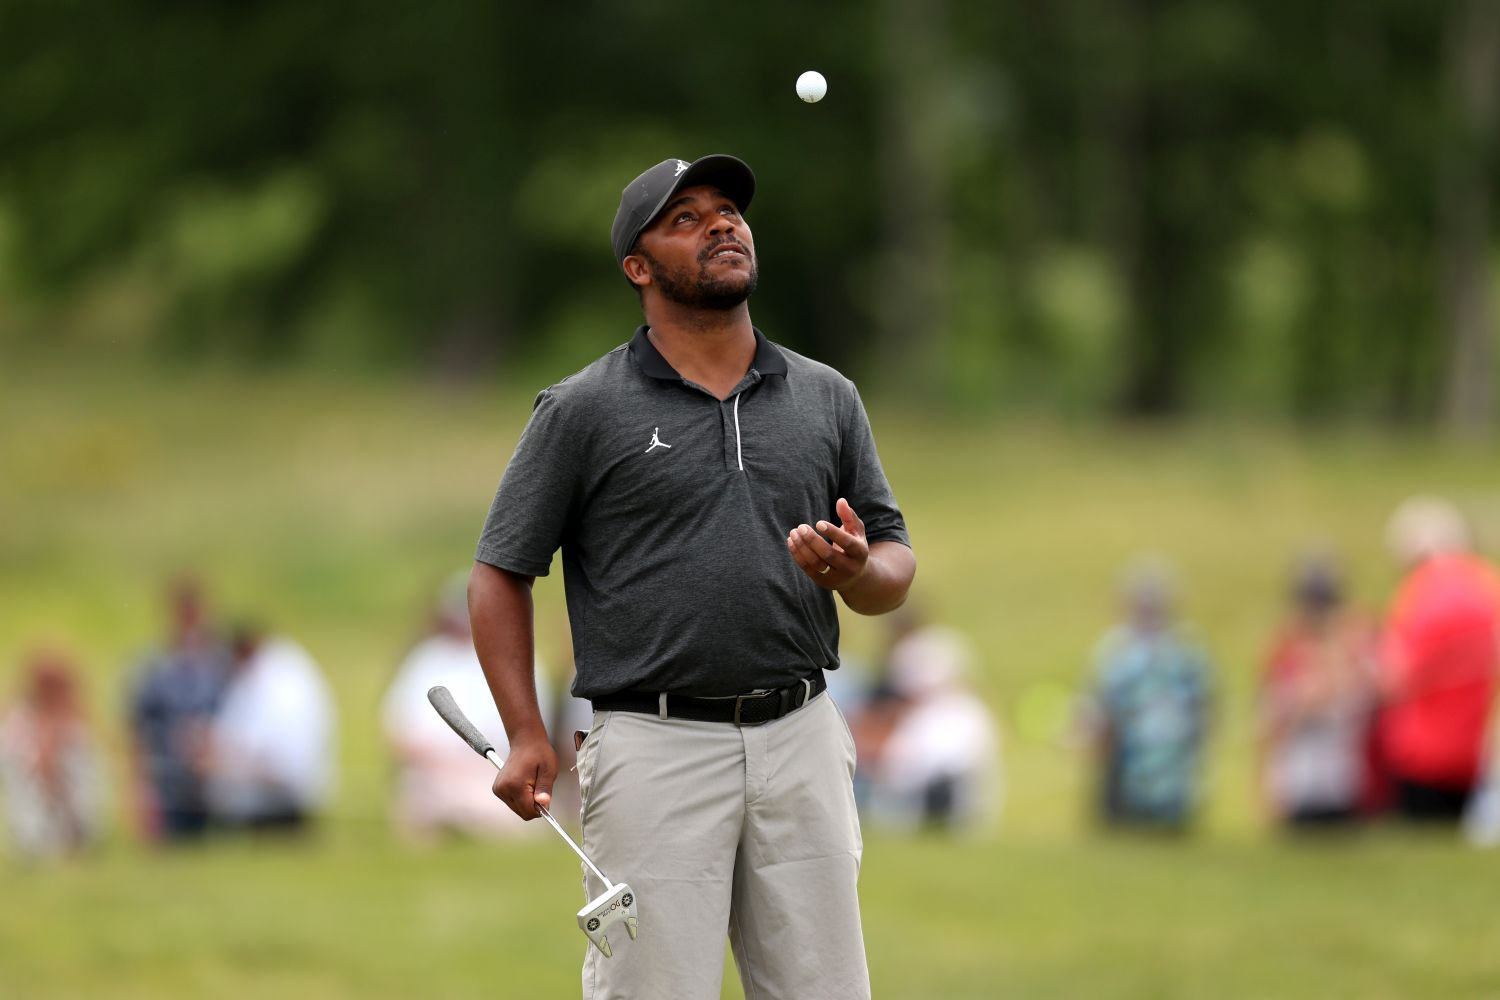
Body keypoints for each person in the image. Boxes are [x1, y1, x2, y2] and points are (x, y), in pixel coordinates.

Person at [468, 154, 915, 999]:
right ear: (638, 268)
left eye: (728, 211)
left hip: (803, 735)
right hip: (652, 744)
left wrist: (859, 571)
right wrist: (526, 730)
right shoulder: (584, 407)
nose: (721, 224)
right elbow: (499, 572)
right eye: (685, 218)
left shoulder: (827, 396)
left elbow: (892, 563)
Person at [381, 573, 553, 842]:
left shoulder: (521, 660)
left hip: (493, 775)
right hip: (433, 775)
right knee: (417, 802)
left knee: (510, 821)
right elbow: (398, 732)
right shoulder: (427, 658)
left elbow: (532, 736)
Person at [1377, 497, 1500, 821]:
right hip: (1480, 756)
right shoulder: (1487, 584)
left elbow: (1394, 678)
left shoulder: (1418, 594)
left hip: (1424, 760)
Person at [1082, 557, 1212, 831]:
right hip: (1125, 766)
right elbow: (1100, 710)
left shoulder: (1185, 652)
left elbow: (1203, 709)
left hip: (1172, 767)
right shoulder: (1116, 651)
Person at [1257, 553, 1379, 829]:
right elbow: (1272, 725)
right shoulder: (1285, 652)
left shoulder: (1353, 648)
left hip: (1347, 788)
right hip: (1301, 790)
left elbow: (1381, 689)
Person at [864, 624, 1001, 832]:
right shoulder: (916, 718)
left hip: (954, 797)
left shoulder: (967, 712)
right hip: (914, 800)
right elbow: (898, 766)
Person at [206, 624, 337, 832]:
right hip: (309, 786)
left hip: (282, 789)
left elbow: (256, 752)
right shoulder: (289, 665)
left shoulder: (266, 679)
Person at [127, 577, 229, 842]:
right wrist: (139, 791)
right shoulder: (152, 668)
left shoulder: (220, 665)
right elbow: (137, 730)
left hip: (215, 783)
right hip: (168, 783)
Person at [0, 650, 104, 860]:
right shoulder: (18, 722)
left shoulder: (74, 723)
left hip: (76, 808)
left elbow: (89, 773)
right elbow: (16, 771)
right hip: (33, 815)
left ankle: (72, 836)